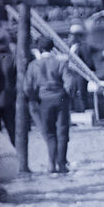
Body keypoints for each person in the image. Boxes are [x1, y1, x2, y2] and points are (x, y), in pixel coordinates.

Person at [24, 36, 72, 174]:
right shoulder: (60, 62)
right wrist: (67, 95)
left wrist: (34, 98)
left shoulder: (34, 65)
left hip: (43, 99)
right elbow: (69, 81)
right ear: (52, 47)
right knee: (62, 132)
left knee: (50, 133)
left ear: (39, 48)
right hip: (60, 97)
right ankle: (62, 164)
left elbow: (27, 87)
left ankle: (51, 164)